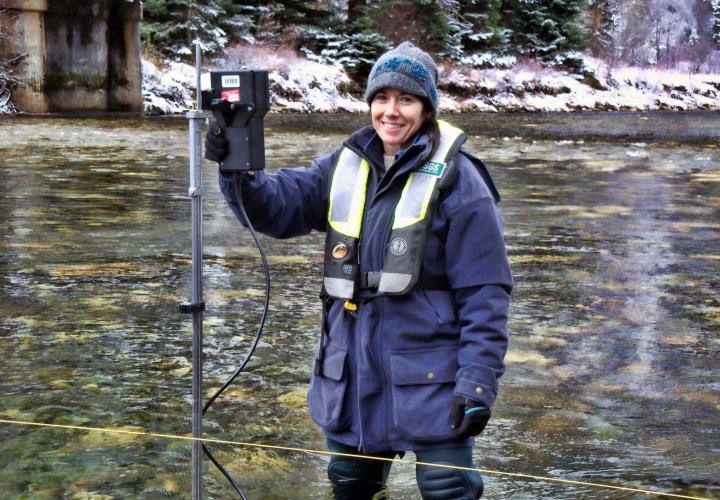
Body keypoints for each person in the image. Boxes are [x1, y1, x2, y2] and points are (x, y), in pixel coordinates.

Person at [205, 41, 512, 500]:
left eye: (406, 99)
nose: (392, 112)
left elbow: (486, 292)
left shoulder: (462, 181)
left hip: (432, 378)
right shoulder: (344, 164)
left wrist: (478, 381)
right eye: (382, 98)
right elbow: (277, 207)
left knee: (449, 488)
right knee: (351, 487)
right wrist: (238, 169)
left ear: (426, 109)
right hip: (351, 372)